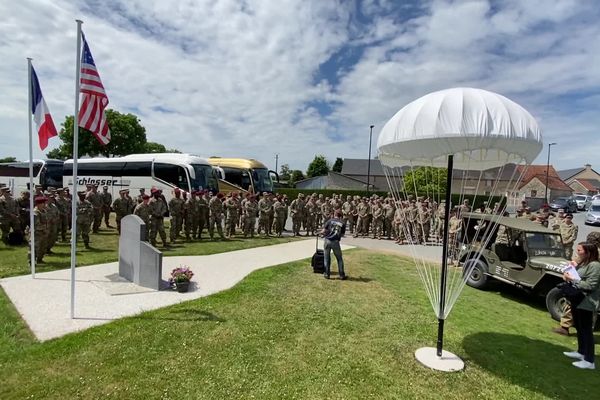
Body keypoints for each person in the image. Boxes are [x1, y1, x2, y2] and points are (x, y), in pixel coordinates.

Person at [562, 242, 600, 369]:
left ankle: (589, 361)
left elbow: (591, 285)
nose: (577, 252)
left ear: (588, 252)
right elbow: (578, 276)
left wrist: (573, 279)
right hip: (577, 298)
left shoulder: (595, 265)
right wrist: (571, 269)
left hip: (587, 301)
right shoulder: (584, 263)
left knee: (586, 329)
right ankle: (581, 352)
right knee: (578, 326)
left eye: (580, 250)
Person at [320, 209, 346, 280]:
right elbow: (342, 234)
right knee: (339, 259)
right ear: (341, 216)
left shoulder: (330, 221)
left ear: (335, 214)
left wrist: (321, 234)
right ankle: (341, 275)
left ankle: (327, 274)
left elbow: (323, 231)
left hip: (327, 241)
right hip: (335, 242)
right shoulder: (342, 223)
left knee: (326, 258)